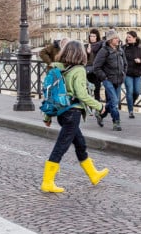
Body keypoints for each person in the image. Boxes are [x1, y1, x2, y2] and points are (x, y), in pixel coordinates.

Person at [40, 41, 109, 193]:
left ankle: (93, 174)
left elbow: (51, 94)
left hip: (62, 113)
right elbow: (81, 94)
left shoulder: (60, 68)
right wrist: (100, 106)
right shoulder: (78, 70)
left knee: (80, 144)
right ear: (80, 54)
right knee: (61, 147)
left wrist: (47, 116)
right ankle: (47, 181)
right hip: (73, 113)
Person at [91, 29, 127, 131]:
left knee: (113, 101)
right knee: (115, 101)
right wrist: (104, 78)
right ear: (110, 40)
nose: (118, 40)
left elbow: (125, 64)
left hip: (119, 79)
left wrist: (124, 74)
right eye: (115, 38)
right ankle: (116, 122)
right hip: (108, 80)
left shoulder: (120, 50)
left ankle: (100, 114)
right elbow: (96, 67)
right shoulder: (104, 51)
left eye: (118, 37)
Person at [122, 30, 141, 119]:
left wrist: (140, 61)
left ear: (135, 38)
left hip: (137, 73)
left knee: (137, 92)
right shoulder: (124, 48)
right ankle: (131, 111)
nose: (127, 38)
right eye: (127, 37)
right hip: (127, 73)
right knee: (129, 91)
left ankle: (131, 104)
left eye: (129, 37)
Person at [85, 29, 103, 101]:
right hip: (88, 70)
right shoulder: (86, 46)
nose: (92, 38)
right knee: (87, 90)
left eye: (94, 36)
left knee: (97, 91)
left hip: (97, 71)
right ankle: (88, 108)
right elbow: (84, 59)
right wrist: (88, 53)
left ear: (97, 37)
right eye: (91, 36)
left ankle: (97, 108)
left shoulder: (100, 46)